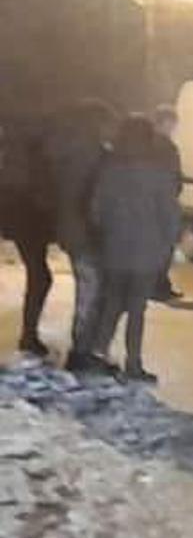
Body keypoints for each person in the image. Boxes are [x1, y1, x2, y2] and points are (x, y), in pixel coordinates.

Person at [90, 115, 181, 384]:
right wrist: (168, 243)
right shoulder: (159, 173)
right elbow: (169, 214)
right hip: (146, 250)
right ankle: (133, 363)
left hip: (115, 247)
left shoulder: (109, 171)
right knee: (137, 309)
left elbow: (96, 212)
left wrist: (109, 231)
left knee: (112, 302)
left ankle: (98, 353)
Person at [51, 99, 117, 373]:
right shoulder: (92, 155)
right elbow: (93, 199)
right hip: (86, 234)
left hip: (72, 230)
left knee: (89, 290)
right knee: (91, 292)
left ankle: (83, 349)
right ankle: (81, 353)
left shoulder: (70, 151)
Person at [0, 115, 56, 357]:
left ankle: (29, 334)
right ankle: (29, 335)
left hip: (23, 222)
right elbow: (39, 197)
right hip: (30, 222)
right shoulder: (35, 159)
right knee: (40, 277)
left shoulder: (16, 156)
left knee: (40, 277)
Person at [151, 105, 184, 301]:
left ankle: (154, 285)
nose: (174, 128)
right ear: (165, 122)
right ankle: (159, 286)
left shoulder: (145, 142)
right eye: (173, 124)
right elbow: (173, 176)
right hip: (163, 203)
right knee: (163, 247)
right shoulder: (167, 147)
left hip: (149, 203)